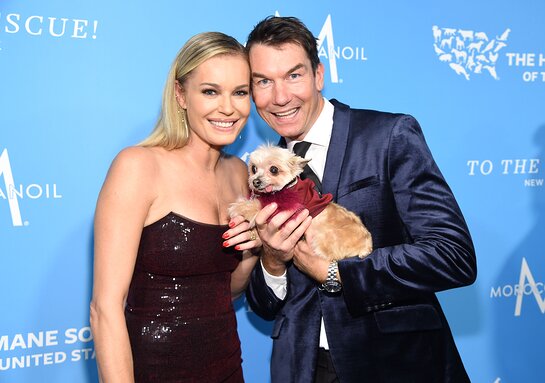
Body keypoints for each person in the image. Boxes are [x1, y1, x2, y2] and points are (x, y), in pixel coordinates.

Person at [235, 16, 477, 382]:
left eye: (294, 75)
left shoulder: (389, 135)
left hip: (396, 365)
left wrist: (339, 274)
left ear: (318, 75)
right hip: (303, 368)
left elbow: (452, 256)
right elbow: (264, 306)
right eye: (264, 82)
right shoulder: (259, 172)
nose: (280, 96)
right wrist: (272, 259)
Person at [90, 31, 261, 382]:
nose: (228, 108)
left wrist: (254, 250)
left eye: (240, 92)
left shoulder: (241, 173)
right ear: (181, 95)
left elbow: (226, 289)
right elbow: (104, 309)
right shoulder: (138, 166)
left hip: (228, 366)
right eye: (210, 91)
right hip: (156, 370)